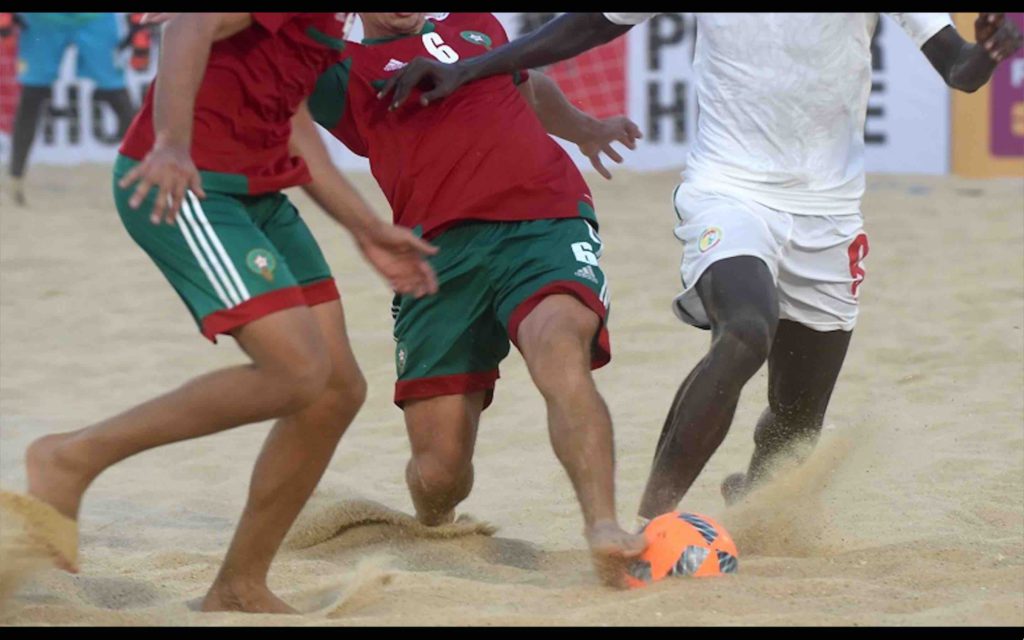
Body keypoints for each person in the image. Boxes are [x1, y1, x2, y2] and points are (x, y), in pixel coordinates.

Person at [379, 12, 1024, 525]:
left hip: (830, 213)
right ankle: (654, 519)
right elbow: (586, 24)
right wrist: (475, 69)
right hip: (729, 189)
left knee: (794, 427)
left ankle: (752, 491)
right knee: (746, 330)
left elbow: (962, 72)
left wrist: (993, 49)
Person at [1, 12, 437, 614]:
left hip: (259, 192)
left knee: (336, 391)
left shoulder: (332, 22)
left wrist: (365, 227)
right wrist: (173, 145)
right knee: (296, 373)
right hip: (189, 185)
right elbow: (189, 26)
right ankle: (70, 457)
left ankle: (238, 585)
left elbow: (293, 120)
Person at [308, 12, 646, 586]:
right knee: (439, 472)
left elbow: (528, 82)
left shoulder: (473, 23)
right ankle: (436, 524)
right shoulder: (335, 69)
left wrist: (584, 127)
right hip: (436, 256)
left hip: (543, 218)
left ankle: (603, 528)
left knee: (559, 349)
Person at [2, 13, 147, 206]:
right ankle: (15, 179)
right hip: (43, 20)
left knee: (117, 95)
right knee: (32, 95)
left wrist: (139, 24)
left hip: (94, 18)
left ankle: (148, 177)